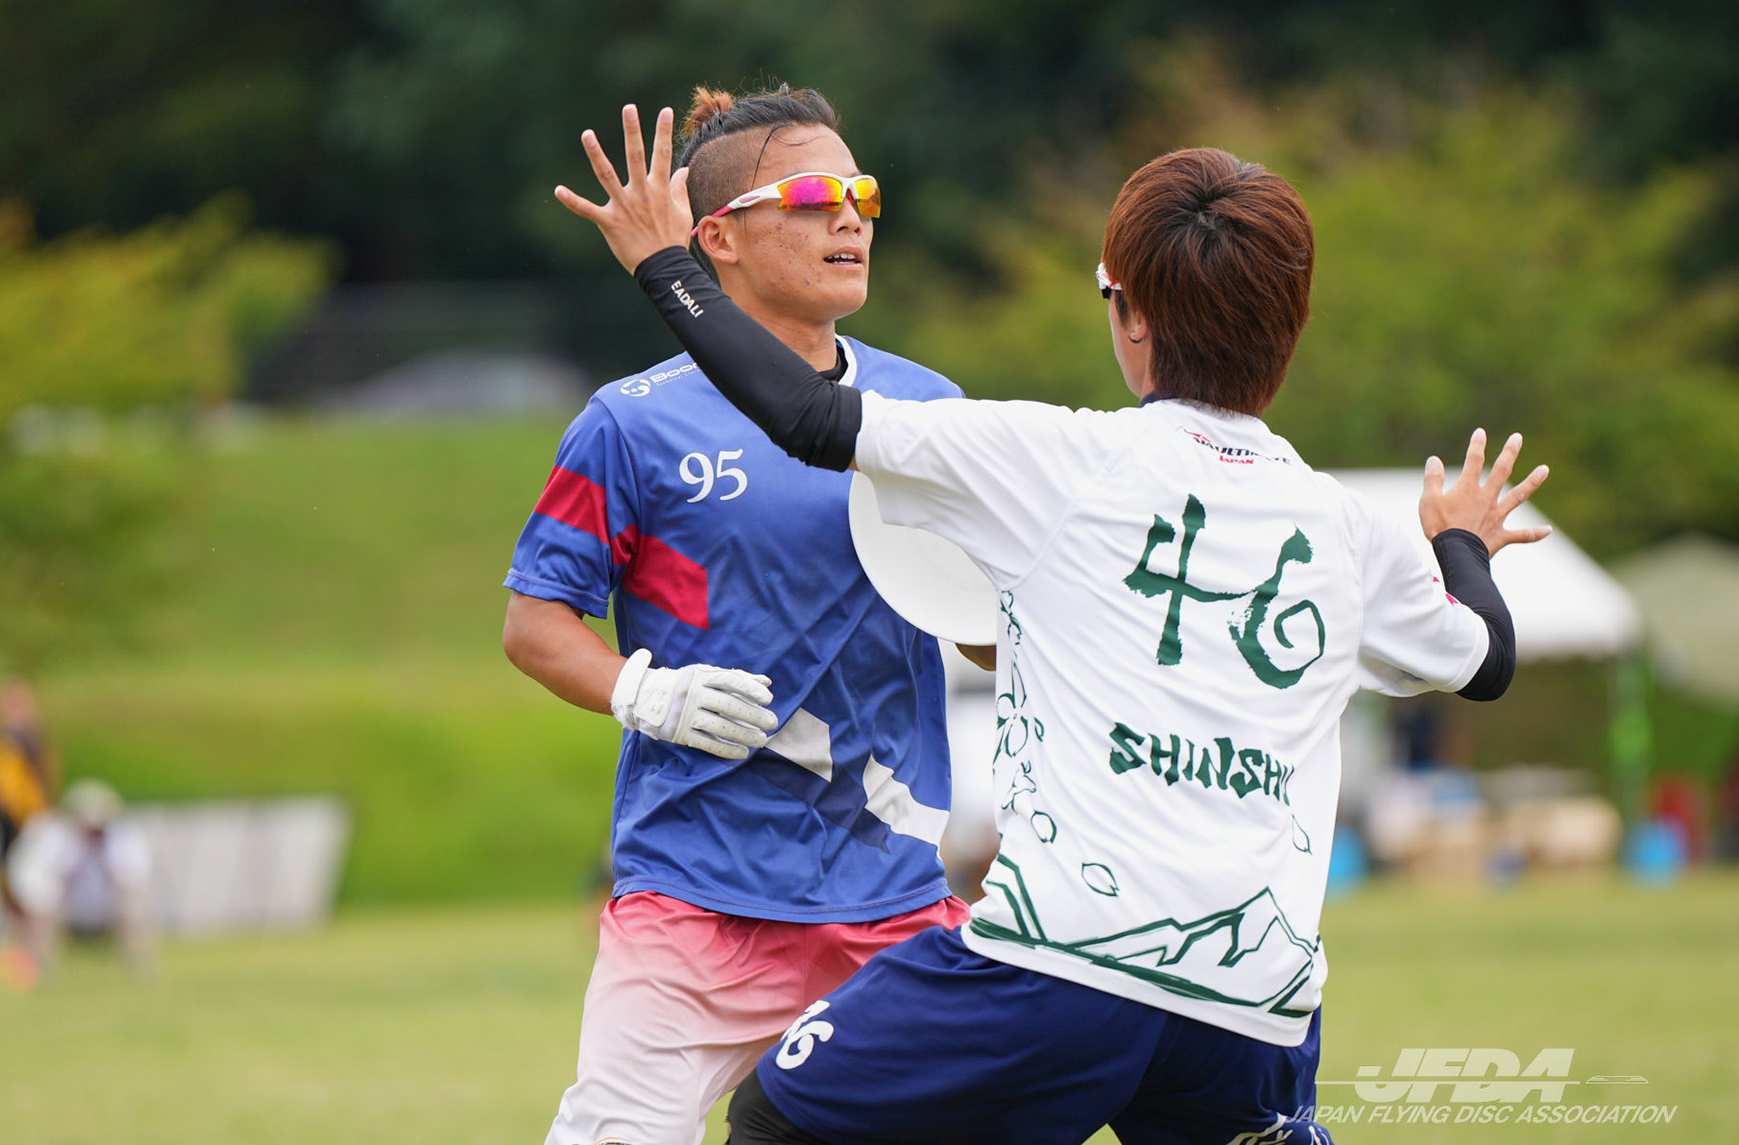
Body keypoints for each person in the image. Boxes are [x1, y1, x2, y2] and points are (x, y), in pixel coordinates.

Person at [555, 113, 1552, 1144]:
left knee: (779, 1115)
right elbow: (1487, 659)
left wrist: (665, 267)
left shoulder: (1058, 460)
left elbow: (807, 417)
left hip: (1061, 968)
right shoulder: (1342, 526)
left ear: (1131, 318)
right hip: (1256, 999)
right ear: (1291, 331)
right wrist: (1460, 542)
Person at [507, 88, 981, 1145]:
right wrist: (646, 694)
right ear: (716, 238)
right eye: (812, 197)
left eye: (862, 194)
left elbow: (987, 638)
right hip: (693, 902)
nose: (850, 217)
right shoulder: (629, 423)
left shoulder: (929, 408)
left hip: (892, 904)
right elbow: (534, 624)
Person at [6, 779, 155, 982]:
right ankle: (41, 970)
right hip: (68, 907)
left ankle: (140, 968)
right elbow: (47, 878)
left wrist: (103, 859)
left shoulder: (123, 839)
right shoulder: (59, 838)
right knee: (44, 911)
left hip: (108, 906)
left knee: (134, 907)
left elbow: (131, 878)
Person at [0, 677, 57, 986]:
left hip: (28, 827)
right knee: (9, 893)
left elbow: (31, 789)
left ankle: (35, 957)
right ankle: (22, 957)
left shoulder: (25, 743)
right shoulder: (2, 744)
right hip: (9, 825)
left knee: (32, 894)